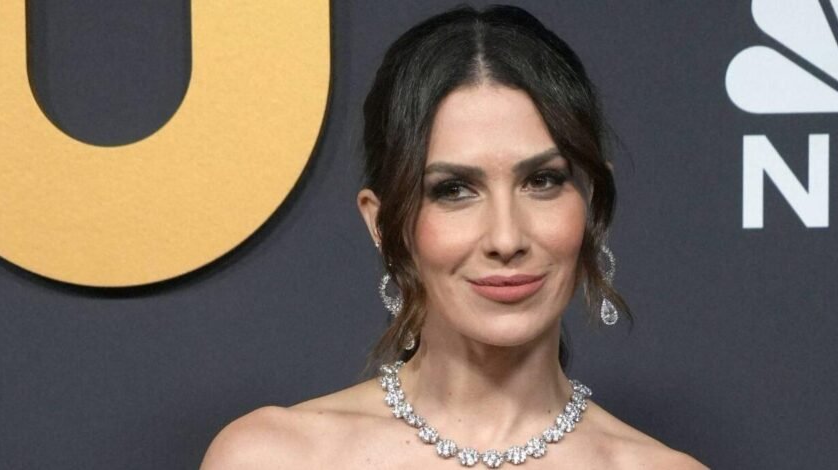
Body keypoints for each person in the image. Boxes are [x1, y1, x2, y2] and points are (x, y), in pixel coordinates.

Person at [201, 4, 706, 469]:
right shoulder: (272, 458)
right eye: (454, 189)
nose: (506, 238)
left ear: (592, 200)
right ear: (383, 223)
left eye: (543, 181)